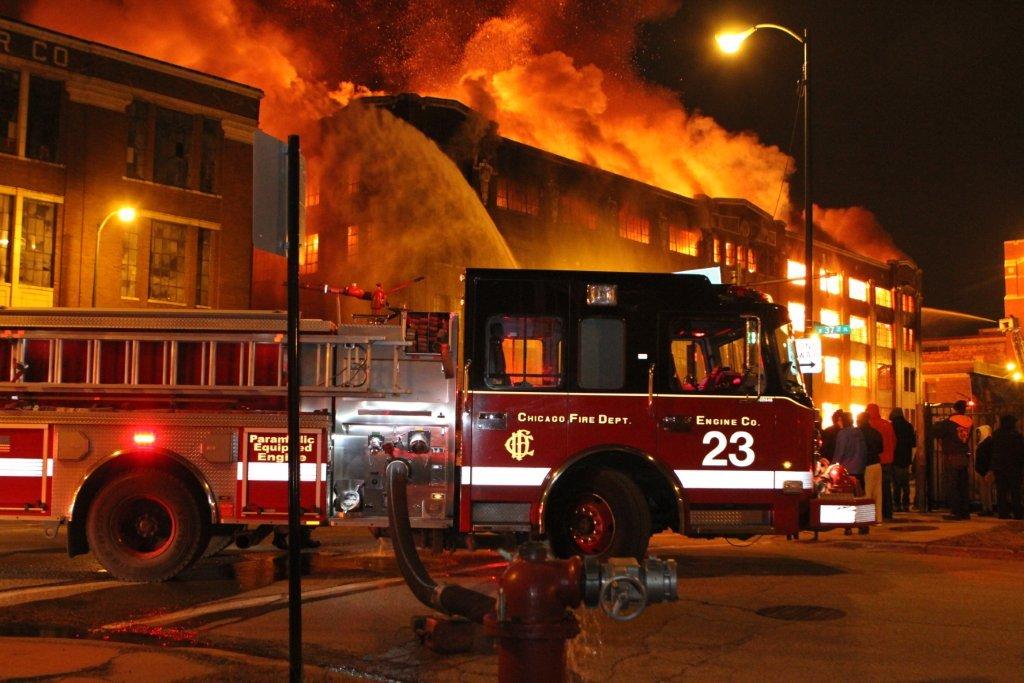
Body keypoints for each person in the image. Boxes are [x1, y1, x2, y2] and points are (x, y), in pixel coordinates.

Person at [933, 400, 973, 520]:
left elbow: (935, 432)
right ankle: (965, 511)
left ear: (954, 409)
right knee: (963, 485)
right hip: (964, 455)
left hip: (951, 456)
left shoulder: (949, 422)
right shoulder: (969, 422)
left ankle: (955, 512)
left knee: (953, 484)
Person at [988, 414, 1024, 519]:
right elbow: (1020, 452)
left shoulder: (996, 435)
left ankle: (1003, 512)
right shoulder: (1016, 435)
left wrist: (992, 467)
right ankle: (1018, 513)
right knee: (1015, 491)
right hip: (1014, 467)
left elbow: (993, 452)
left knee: (1001, 491)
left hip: (1000, 467)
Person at [866, 404, 896, 520]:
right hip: (888, 460)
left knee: (872, 490)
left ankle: (874, 514)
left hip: (874, 461)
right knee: (886, 488)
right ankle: (888, 512)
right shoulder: (887, 424)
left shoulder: (870, 425)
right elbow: (894, 441)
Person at [858, 411, 884, 521]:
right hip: (877, 464)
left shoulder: (858, 433)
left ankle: (866, 519)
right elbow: (881, 449)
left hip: (865, 465)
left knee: (866, 494)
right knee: (877, 493)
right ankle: (878, 519)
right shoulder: (876, 433)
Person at [890, 408, 917, 513]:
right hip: (906, 457)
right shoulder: (909, 426)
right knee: (905, 483)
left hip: (895, 457)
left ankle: (897, 504)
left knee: (896, 483)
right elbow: (913, 442)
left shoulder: (891, 426)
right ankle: (906, 504)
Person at [833, 411, 866, 489]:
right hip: (860, 470)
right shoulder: (858, 431)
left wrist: (832, 466)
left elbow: (840, 452)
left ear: (843, 421)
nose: (838, 423)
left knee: (848, 495)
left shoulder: (842, 433)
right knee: (859, 494)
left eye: (839, 420)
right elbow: (864, 450)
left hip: (847, 471)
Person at [974, 424, 995, 516]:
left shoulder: (987, 443)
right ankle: (987, 508)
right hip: (983, 469)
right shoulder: (986, 442)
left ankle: (987, 509)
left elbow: (989, 457)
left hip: (985, 470)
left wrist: (989, 470)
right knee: (985, 490)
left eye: (979, 433)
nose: (978, 435)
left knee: (986, 490)